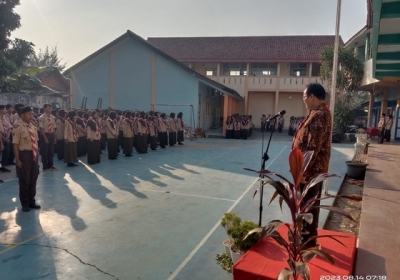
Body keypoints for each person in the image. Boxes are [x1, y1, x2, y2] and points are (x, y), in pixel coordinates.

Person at [292, 83, 332, 249]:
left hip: (310, 172)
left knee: (307, 205)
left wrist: (303, 172)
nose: (304, 101)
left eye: (304, 97)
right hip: (313, 170)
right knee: (310, 205)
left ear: (312, 97)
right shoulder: (319, 113)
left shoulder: (319, 115)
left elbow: (312, 147)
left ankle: (306, 242)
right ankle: (309, 238)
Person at [13, 106, 41, 212]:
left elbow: (36, 142)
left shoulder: (33, 126)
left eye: (32, 114)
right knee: (25, 180)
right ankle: (25, 203)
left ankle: (31, 201)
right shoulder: (18, 127)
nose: (31, 116)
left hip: (33, 154)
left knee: (33, 179)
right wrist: (18, 159)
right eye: (29, 114)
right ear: (22, 115)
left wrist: (36, 155)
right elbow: (15, 144)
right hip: (24, 155)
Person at [38, 104, 57, 171]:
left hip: (51, 134)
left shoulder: (52, 117)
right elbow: (41, 128)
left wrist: (54, 137)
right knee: (45, 151)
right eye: (49, 108)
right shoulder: (41, 117)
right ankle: (45, 166)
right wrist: (45, 138)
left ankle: (50, 165)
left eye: (51, 108)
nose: (50, 109)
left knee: (51, 151)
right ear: (45, 109)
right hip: (45, 134)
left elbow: (54, 127)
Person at [0, 105, 12, 172]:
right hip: (1, 138)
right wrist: (3, 138)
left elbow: (9, 127)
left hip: (6, 137)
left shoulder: (5, 118)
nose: (6, 110)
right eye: (4, 109)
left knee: (6, 153)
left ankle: (3, 166)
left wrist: (7, 136)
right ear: (0, 110)